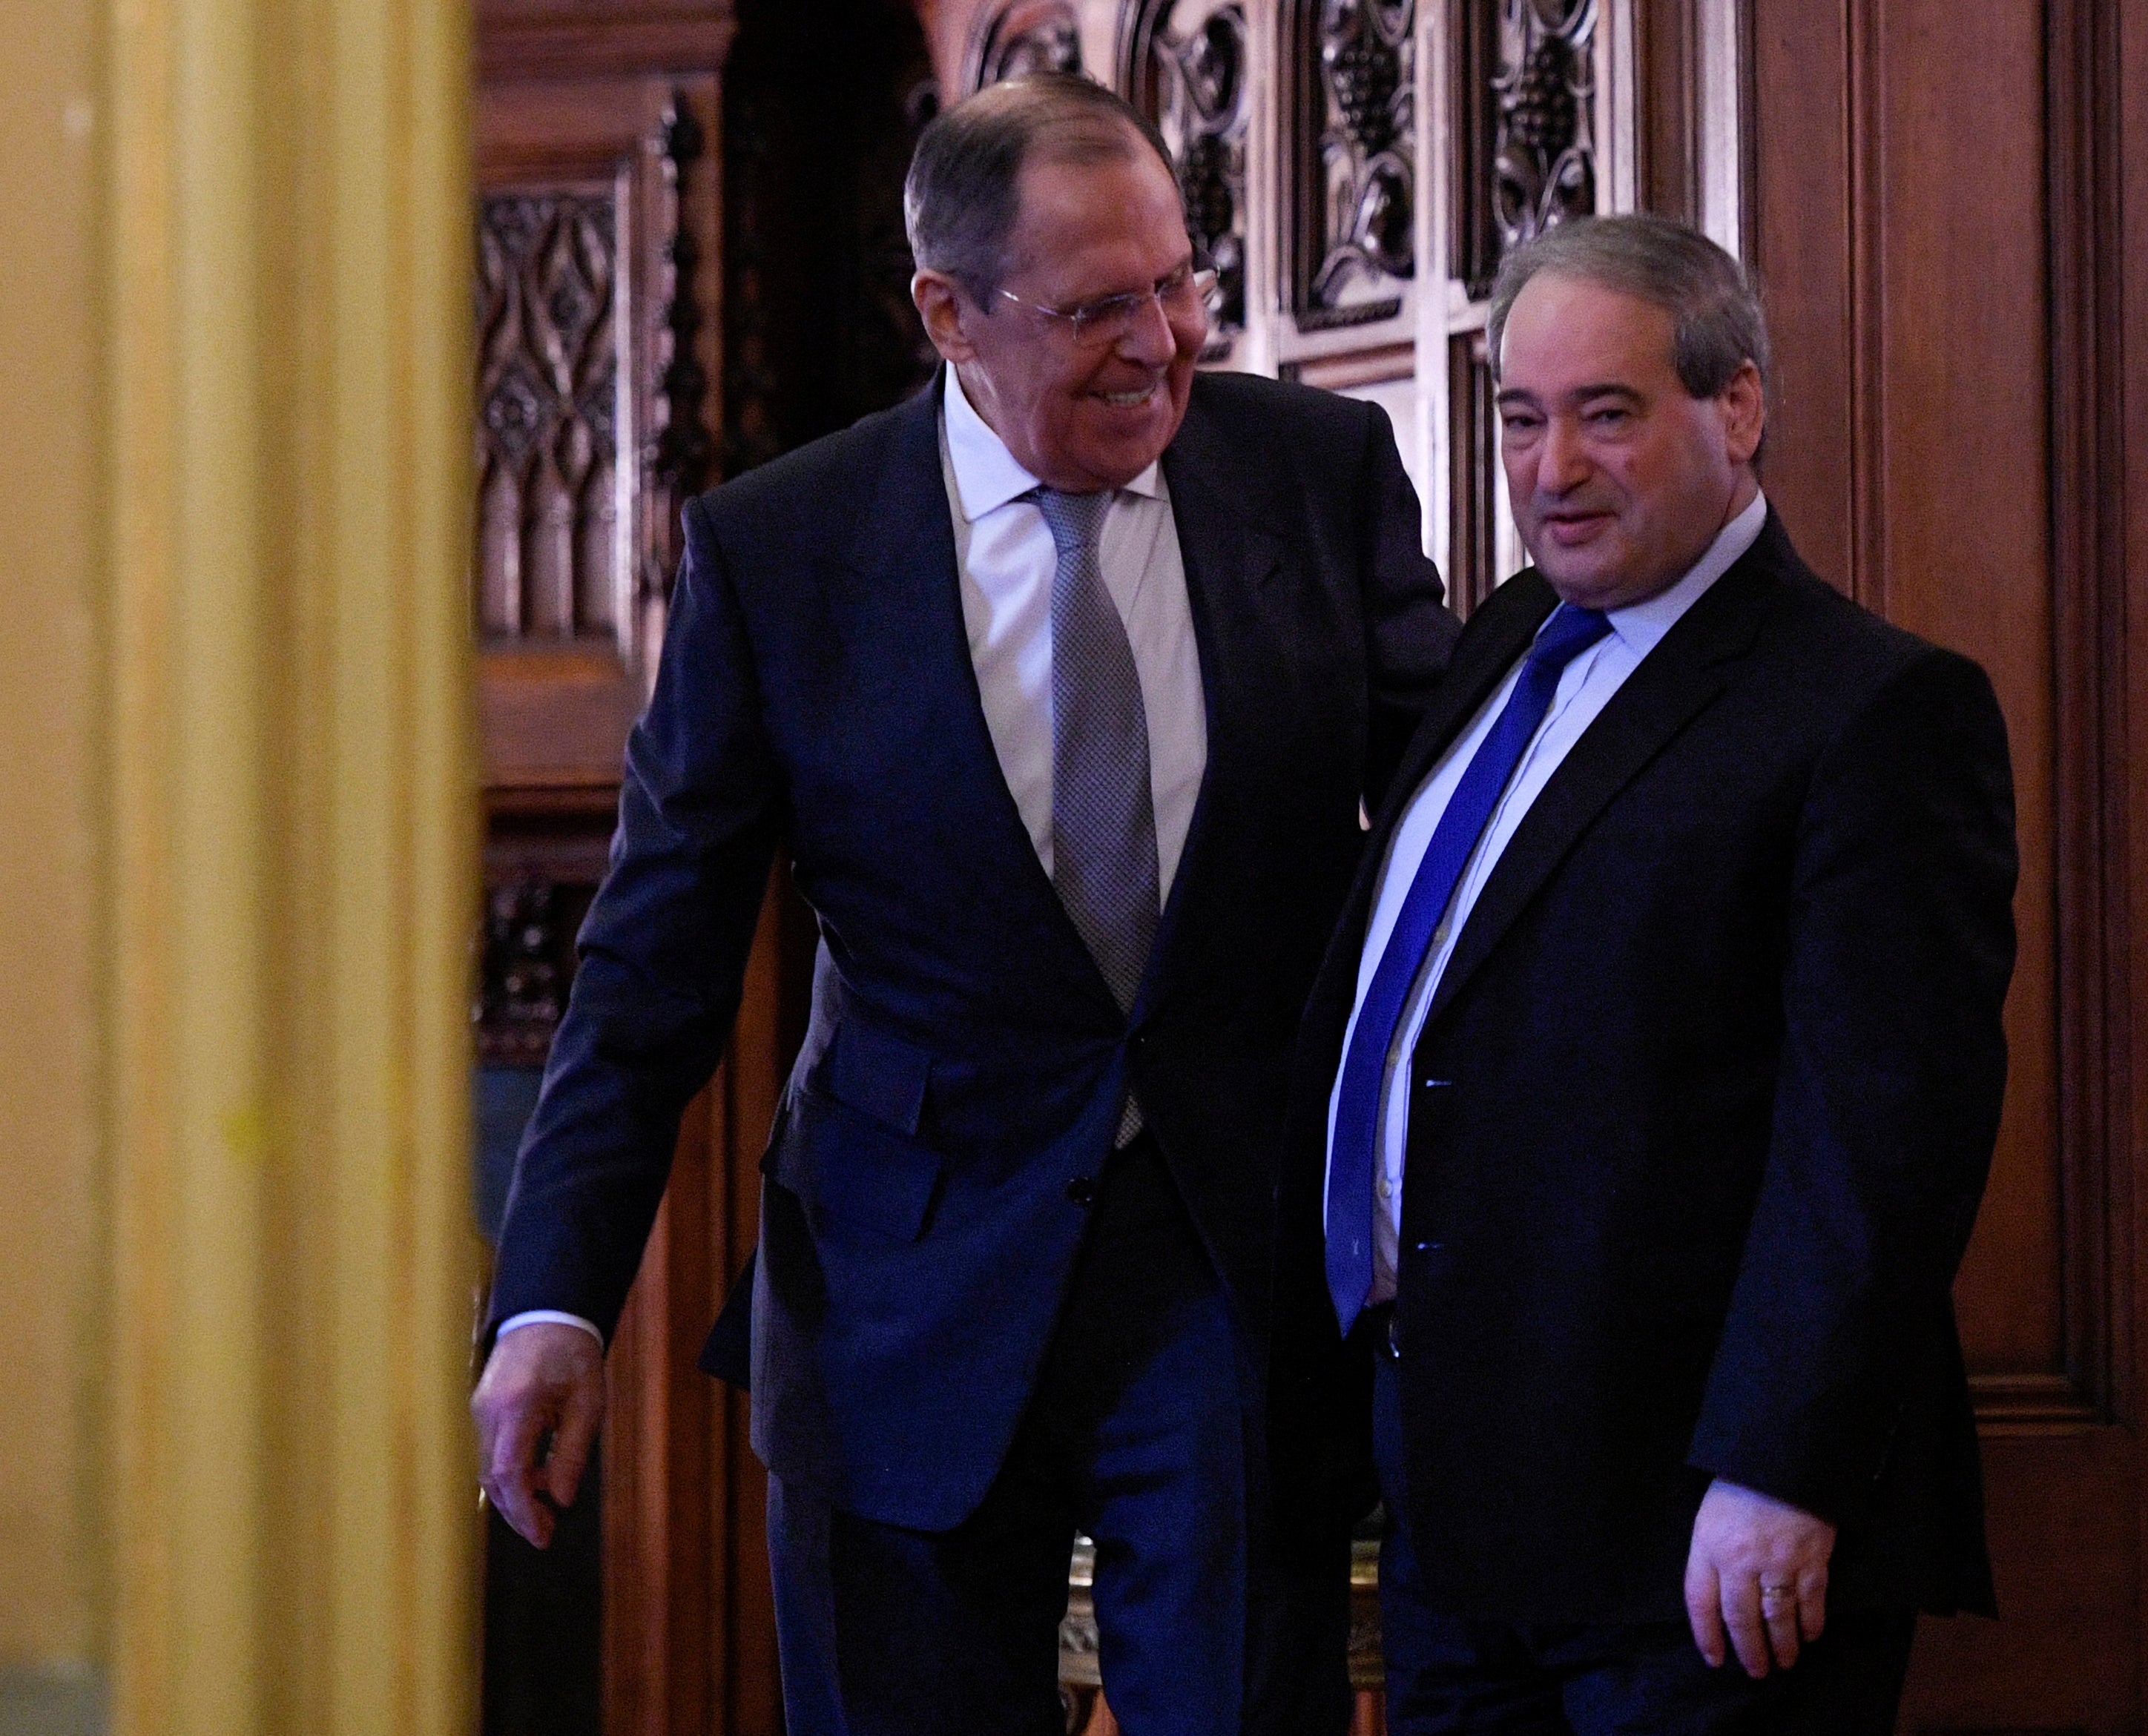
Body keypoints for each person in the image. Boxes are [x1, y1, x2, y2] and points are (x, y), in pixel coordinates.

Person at [471, 73, 1457, 1736]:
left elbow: (1459, 844)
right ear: (949, 312)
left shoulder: (1316, 469)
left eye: (1178, 285)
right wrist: (553, 1297)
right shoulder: (784, 551)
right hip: (897, 1287)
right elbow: (651, 968)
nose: (1160, 345)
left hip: (1222, 1268)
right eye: (1096, 309)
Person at [1286, 214, 2017, 1734]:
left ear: (1734, 407)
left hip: (1697, 1544)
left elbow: (1879, 1144)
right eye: (1519, 417)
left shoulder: (1873, 710)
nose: (1552, 468)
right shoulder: (1505, 643)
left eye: (1605, 413)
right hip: (1458, 1504)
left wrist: (1779, 1467)